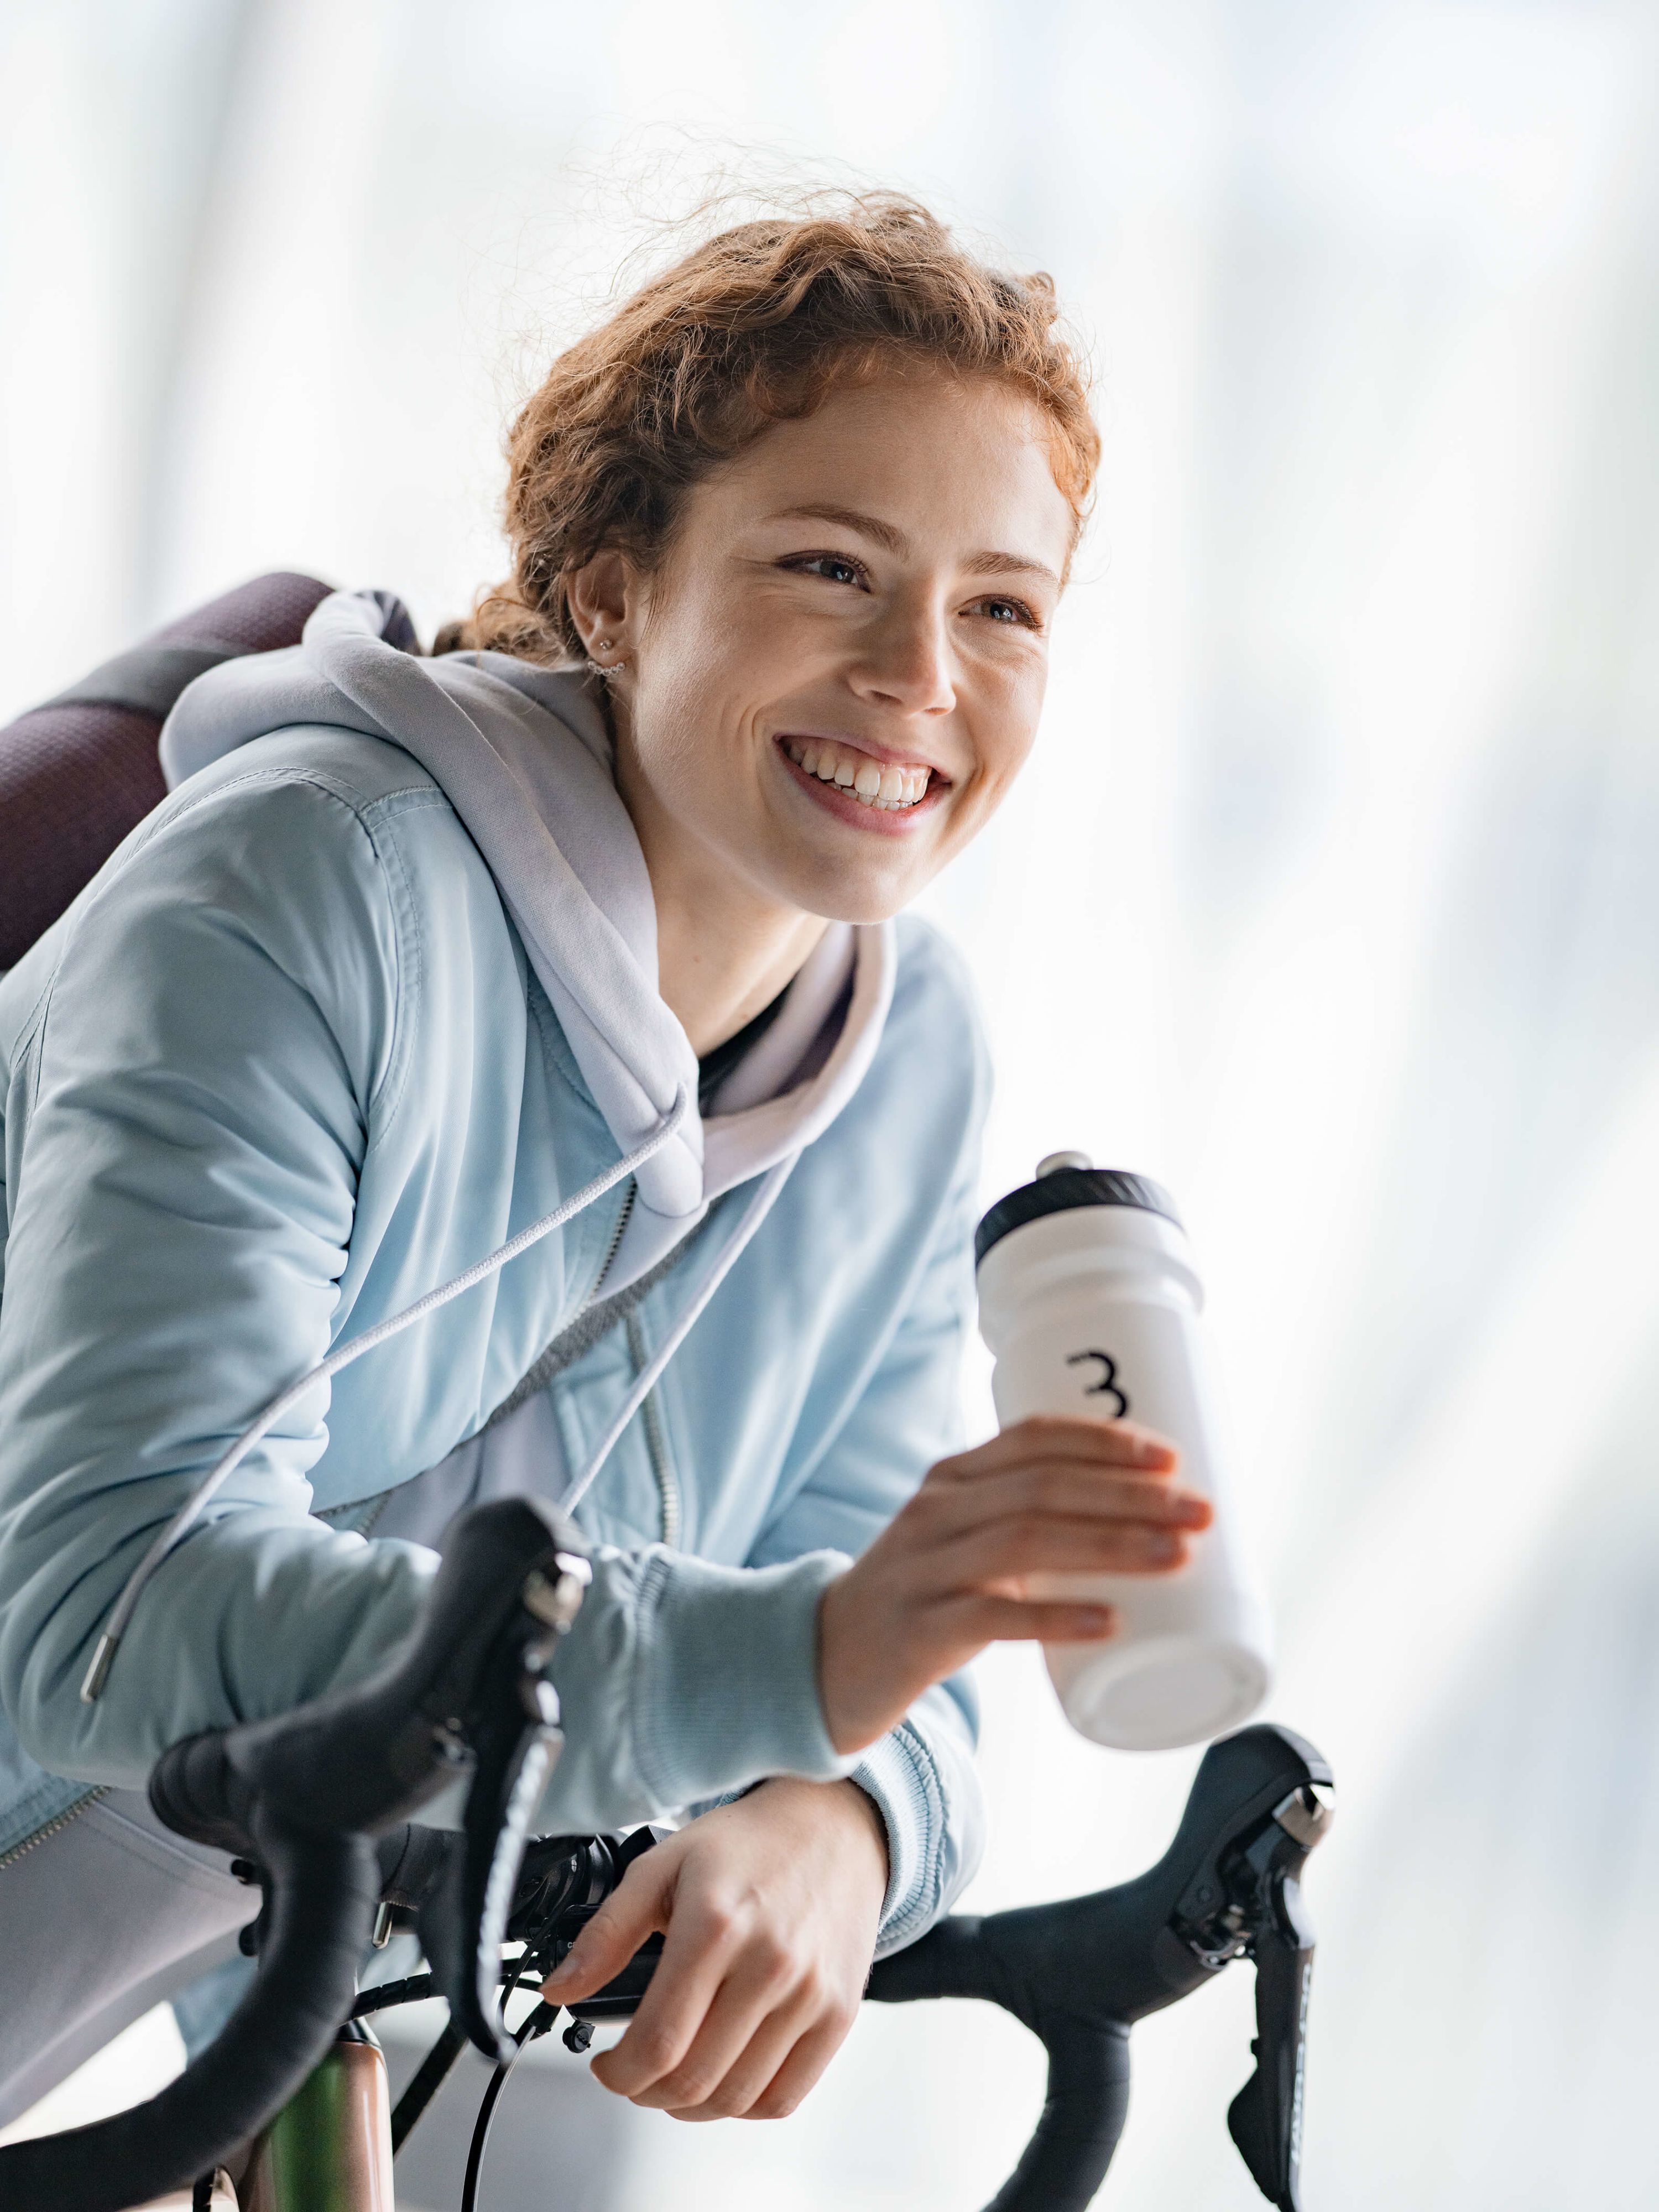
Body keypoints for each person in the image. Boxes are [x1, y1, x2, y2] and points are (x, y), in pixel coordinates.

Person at [0, 195, 1211, 2132]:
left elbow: (874, 1575)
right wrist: (807, 1661)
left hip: (208, 2013)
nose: (921, 672)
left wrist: (850, 1807)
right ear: (613, 587)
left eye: (1003, 606)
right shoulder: (301, 894)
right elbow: (111, 1615)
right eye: (831, 566)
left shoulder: (906, 1060)